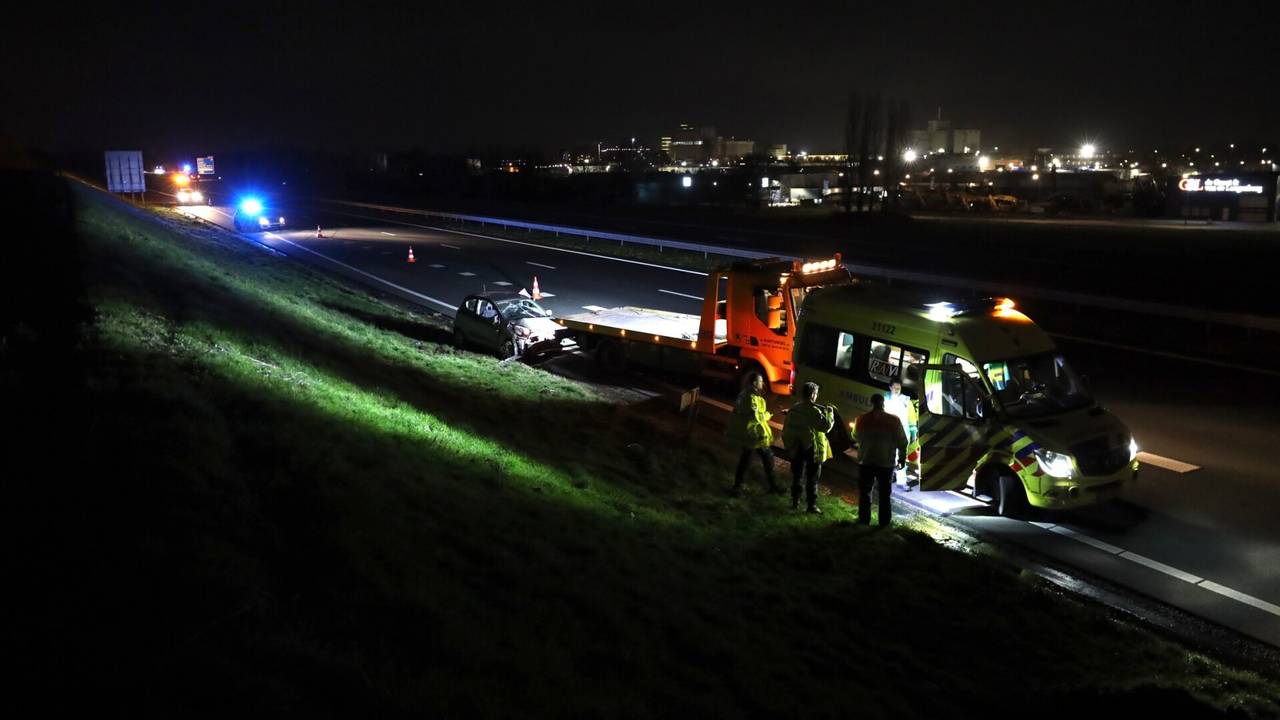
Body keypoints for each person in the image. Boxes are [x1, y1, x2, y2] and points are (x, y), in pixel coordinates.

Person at [853, 393, 908, 527]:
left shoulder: (861, 419)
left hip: (866, 461)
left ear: (871, 403)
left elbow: (856, 436)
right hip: (886, 463)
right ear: (883, 403)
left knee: (865, 492)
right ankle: (884, 523)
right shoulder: (894, 420)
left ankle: (864, 520)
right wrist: (902, 458)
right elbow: (902, 441)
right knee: (884, 495)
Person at [782, 382, 835, 513]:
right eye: (816, 394)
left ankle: (795, 502)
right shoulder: (813, 411)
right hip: (811, 448)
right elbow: (826, 427)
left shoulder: (795, 408)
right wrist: (830, 414)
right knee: (812, 478)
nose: (816, 397)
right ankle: (811, 505)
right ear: (812, 395)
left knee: (797, 476)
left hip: (796, 446)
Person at [726, 372, 781, 495]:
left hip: (754, 436)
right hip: (754, 436)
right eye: (760, 381)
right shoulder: (750, 397)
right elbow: (755, 417)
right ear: (755, 383)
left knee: (749, 460)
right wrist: (767, 415)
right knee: (762, 459)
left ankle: (739, 486)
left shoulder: (751, 395)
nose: (763, 383)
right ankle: (772, 486)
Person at [884, 378, 919, 488]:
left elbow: (912, 418)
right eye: (895, 388)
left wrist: (913, 433)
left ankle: (901, 482)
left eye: (899, 388)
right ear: (890, 387)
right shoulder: (885, 399)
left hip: (903, 433)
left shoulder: (906, 401)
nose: (897, 390)